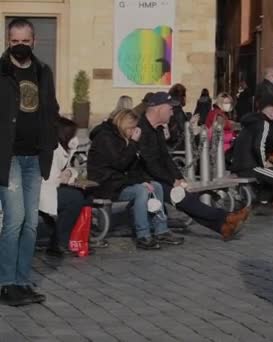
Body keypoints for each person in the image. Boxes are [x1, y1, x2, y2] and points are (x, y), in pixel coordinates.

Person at [0, 18, 60, 306]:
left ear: (33, 41)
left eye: (25, 41)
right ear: (8, 41)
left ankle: (23, 280)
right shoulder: (1, 71)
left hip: (35, 157)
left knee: (31, 224)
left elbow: (52, 109)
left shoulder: (43, 71)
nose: (20, 46)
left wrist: (52, 140)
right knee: (14, 220)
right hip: (8, 157)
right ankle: (6, 283)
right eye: (15, 41)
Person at [137, 92, 249, 241]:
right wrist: (173, 181)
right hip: (142, 179)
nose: (172, 113)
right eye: (170, 109)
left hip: (157, 176)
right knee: (180, 196)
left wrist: (180, 178)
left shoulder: (156, 129)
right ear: (159, 109)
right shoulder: (141, 129)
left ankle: (222, 227)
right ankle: (225, 217)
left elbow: (166, 159)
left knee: (185, 194)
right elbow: (148, 162)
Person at [88, 109, 184, 249]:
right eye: (132, 128)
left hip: (119, 182)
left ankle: (161, 230)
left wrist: (143, 180)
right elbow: (119, 164)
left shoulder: (124, 138)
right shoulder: (105, 137)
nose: (134, 131)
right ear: (124, 125)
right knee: (141, 191)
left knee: (155, 186)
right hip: (105, 184)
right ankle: (143, 234)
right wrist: (133, 143)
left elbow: (133, 166)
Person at [39, 117, 88, 257]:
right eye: (73, 134)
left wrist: (69, 173)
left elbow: (69, 169)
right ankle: (59, 242)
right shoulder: (54, 151)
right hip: (44, 191)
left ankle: (72, 239)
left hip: (50, 189)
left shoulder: (62, 149)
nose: (76, 139)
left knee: (82, 196)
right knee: (75, 198)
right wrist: (68, 176)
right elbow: (52, 178)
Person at [229, 94, 273, 211]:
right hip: (251, 166)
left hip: (242, 165)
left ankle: (263, 200)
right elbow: (258, 146)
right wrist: (265, 163)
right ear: (269, 109)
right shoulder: (263, 123)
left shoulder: (252, 122)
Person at [166, 83, 199, 150]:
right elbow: (184, 130)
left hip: (171, 143)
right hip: (178, 145)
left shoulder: (170, 107)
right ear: (182, 97)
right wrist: (191, 122)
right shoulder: (178, 110)